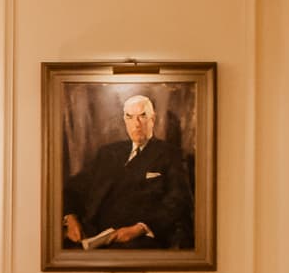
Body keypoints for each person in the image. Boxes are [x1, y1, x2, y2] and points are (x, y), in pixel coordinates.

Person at [62, 88, 193, 253]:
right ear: (125, 120)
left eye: (142, 116)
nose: (136, 124)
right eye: (130, 117)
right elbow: (74, 188)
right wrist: (71, 218)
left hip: (140, 239)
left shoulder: (170, 154)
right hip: (94, 236)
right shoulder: (108, 153)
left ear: (153, 119)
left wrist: (140, 228)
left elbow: (179, 202)